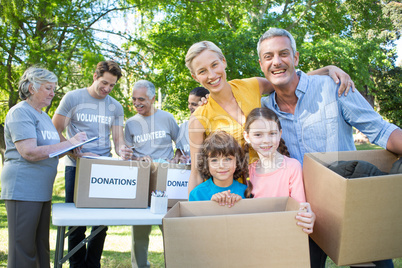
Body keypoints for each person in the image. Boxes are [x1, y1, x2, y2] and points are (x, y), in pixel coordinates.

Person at [258, 28, 402, 268]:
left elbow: (380, 129)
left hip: (350, 205)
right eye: (269, 56)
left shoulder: (333, 88)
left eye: (284, 54)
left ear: (296, 58)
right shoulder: (263, 110)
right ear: (261, 64)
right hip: (301, 214)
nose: (277, 61)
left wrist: (328, 71)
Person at [185, 40, 355, 194]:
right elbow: (196, 172)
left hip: (272, 184)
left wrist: (327, 70)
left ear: (223, 61)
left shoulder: (251, 86)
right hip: (233, 195)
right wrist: (191, 213)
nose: (212, 75)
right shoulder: (199, 119)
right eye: (202, 71)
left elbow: (288, 81)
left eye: (214, 65)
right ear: (195, 77)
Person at [1, 67, 87, 268]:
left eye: (54, 88)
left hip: (42, 190)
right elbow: (29, 151)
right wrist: (69, 143)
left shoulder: (45, 117)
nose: (52, 93)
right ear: (31, 88)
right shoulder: (20, 112)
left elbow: (57, 147)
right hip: (23, 189)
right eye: (48, 88)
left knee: (40, 246)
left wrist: (76, 148)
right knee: (23, 248)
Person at [52, 61, 132, 268]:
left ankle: (93, 265)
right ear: (95, 75)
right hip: (76, 167)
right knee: (76, 224)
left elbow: (118, 139)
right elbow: (54, 129)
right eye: (104, 83)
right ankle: (77, 265)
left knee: (101, 223)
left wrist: (123, 149)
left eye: (112, 86)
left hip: (103, 169)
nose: (107, 89)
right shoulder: (73, 98)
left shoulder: (115, 106)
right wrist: (71, 148)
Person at [123, 80, 182, 268]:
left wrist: (176, 158)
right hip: (142, 180)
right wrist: (134, 160)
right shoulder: (130, 123)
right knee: (139, 231)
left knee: (170, 228)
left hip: (165, 180)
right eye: (133, 99)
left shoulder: (167, 118)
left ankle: (177, 263)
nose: (137, 103)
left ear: (153, 98)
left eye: (141, 99)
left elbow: (180, 145)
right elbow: (126, 155)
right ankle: (139, 266)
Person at [243, 107, 314, 234]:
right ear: (247, 137)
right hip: (259, 234)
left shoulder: (292, 167)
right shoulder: (249, 171)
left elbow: (299, 210)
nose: (266, 140)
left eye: (272, 133)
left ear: (280, 134)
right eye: (258, 134)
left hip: (286, 233)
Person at [188, 130, 248, 206]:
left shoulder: (246, 192)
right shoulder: (197, 194)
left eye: (227, 159)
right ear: (206, 164)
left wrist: (240, 204)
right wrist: (212, 205)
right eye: (214, 160)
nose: (221, 165)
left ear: (237, 161)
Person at [176, 86, 209, 162]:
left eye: (194, 104)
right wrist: (180, 158)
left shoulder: (214, 126)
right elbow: (180, 151)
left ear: (204, 104)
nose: (190, 107)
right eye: (189, 103)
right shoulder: (184, 127)